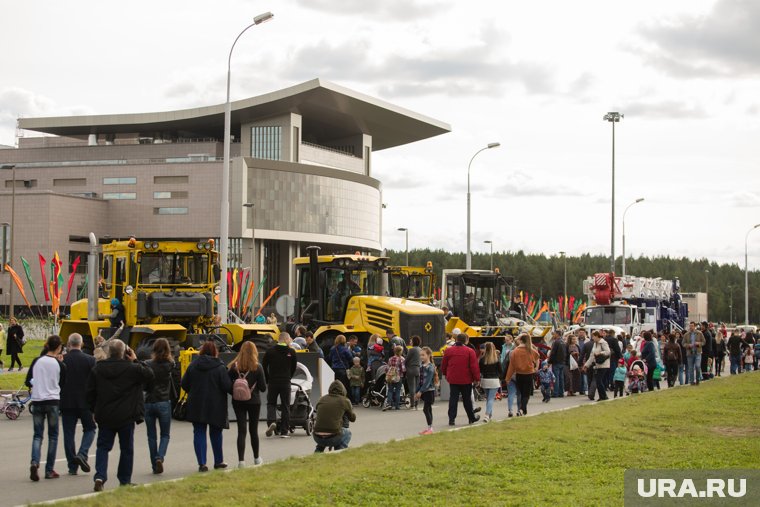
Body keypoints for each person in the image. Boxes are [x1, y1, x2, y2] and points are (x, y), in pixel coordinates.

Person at [87, 339, 153, 491]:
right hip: (126, 415)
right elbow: (150, 375)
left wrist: (93, 410)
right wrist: (136, 359)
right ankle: (124, 479)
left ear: (109, 352)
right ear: (124, 352)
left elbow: (90, 392)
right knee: (126, 449)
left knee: (103, 447)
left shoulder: (98, 369)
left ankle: (100, 476)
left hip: (105, 414)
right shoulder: (132, 369)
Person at [181, 341, 232, 472]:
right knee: (216, 433)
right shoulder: (220, 367)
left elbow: (184, 384)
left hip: (196, 403)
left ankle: (202, 463)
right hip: (216, 404)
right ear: (215, 352)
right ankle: (218, 460)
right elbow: (227, 387)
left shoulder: (193, 365)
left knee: (199, 432)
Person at [26, 335, 66, 481]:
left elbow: (28, 381)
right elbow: (63, 383)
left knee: (38, 435)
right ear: (59, 348)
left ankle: (34, 461)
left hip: (37, 400)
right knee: (53, 436)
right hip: (53, 400)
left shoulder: (37, 361)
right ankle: (49, 469)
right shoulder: (60, 364)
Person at [60, 333, 96, 476]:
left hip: (66, 401)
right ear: (81, 344)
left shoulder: (63, 360)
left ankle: (72, 466)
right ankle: (82, 453)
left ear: (69, 344)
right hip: (85, 402)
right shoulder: (91, 360)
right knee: (90, 428)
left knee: (68, 433)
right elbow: (94, 383)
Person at [228, 341, 267, 468]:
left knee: (241, 430)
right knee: (253, 430)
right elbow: (262, 388)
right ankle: (256, 458)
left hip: (238, 401)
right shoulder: (257, 367)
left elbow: (228, 384)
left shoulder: (234, 367)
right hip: (254, 401)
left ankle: (241, 461)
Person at [143, 338, 174, 474]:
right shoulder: (170, 364)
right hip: (163, 401)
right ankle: (159, 457)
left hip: (149, 401)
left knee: (151, 436)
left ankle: (154, 465)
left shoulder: (147, 364)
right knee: (165, 435)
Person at [441, 331, 481, 425]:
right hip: (466, 379)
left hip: (453, 379)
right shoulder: (470, 351)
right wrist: (477, 378)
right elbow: (474, 367)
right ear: (466, 341)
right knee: (467, 399)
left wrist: (445, 374)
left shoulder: (449, 350)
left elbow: (444, 365)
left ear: (456, 339)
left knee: (453, 399)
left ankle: (452, 419)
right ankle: (471, 417)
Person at [263, 332, 297, 438]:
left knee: (271, 404)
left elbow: (264, 366)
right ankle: (284, 431)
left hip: (273, 382)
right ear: (286, 339)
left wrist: (268, 378)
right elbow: (294, 367)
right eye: (289, 339)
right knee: (285, 406)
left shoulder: (270, 351)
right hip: (285, 382)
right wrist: (288, 377)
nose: (290, 341)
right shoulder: (291, 351)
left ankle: (271, 422)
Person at [313, 380, 356, 452]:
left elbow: (318, 410)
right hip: (333, 437)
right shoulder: (344, 400)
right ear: (343, 390)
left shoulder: (322, 399)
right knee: (347, 433)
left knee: (324, 430)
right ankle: (339, 452)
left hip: (317, 436)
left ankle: (317, 453)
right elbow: (352, 418)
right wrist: (350, 408)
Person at [505, 333, 540, 415]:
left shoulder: (515, 351)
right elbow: (537, 356)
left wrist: (508, 378)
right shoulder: (530, 350)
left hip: (519, 374)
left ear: (520, 340)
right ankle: (521, 409)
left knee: (520, 393)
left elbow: (511, 366)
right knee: (526, 395)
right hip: (528, 374)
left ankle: (523, 410)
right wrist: (534, 367)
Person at [582, 331, 610, 402]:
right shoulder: (595, 344)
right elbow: (592, 356)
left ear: (597, 336)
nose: (592, 338)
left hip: (604, 364)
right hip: (597, 364)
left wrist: (600, 353)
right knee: (598, 381)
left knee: (598, 380)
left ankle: (604, 396)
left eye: (593, 336)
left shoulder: (603, 343)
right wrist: (586, 365)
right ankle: (602, 396)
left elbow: (608, 352)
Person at [478, 342, 502, 421]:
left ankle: (489, 415)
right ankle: (487, 415)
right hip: (494, 380)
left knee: (488, 398)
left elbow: (480, 370)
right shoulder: (496, 359)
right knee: (491, 399)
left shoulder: (482, 359)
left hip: (485, 380)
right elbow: (500, 371)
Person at [415, 347, 437, 434]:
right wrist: (417, 391)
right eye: (420, 355)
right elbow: (420, 381)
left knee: (426, 409)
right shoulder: (421, 366)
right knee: (429, 409)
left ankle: (430, 428)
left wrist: (421, 391)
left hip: (429, 391)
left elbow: (427, 381)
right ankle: (429, 428)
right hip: (424, 391)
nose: (421, 357)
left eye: (423, 355)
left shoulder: (430, 367)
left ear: (428, 355)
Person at [384, 345, 406, 410]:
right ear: (401, 351)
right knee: (398, 391)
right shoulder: (402, 359)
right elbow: (404, 369)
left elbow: (387, 368)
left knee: (390, 390)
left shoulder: (390, 358)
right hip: (399, 377)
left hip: (390, 377)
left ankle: (389, 404)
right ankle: (397, 406)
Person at [547, 330, 567, 398]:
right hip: (562, 362)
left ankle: (555, 393)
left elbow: (553, 353)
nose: (553, 335)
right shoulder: (563, 341)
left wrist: (549, 361)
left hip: (556, 362)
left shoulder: (556, 342)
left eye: (554, 334)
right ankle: (561, 393)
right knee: (561, 378)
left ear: (557, 334)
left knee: (556, 378)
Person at [405, 336, 422, 409]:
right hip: (418, 369)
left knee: (412, 387)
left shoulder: (411, 350)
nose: (410, 342)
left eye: (411, 341)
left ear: (414, 341)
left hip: (411, 369)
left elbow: (406, 360)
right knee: (417, 387)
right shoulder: (420, 349)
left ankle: (412, 403)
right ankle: (417, 403)